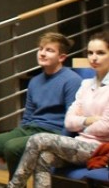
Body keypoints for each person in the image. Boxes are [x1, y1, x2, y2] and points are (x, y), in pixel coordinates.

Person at [0, 32, 82, 188]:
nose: (42, 53)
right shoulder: (35, 81)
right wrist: (6, 143)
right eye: (41, 49)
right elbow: (27, 117)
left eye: (49, 50)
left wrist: (60, 146)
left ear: (62, 57)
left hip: (52, 134)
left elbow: (71, 121)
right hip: (29, 130)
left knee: (12, 147)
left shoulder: (72, 80)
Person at [8, 32, 109, 188]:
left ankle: (15, 185)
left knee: (39, 139)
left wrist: (81, 124)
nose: (94, 58)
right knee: (44, 156)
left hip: (100, 148)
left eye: (100, 53)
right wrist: (88, 120)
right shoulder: (85, 84)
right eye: (90, 53)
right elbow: (69, 122)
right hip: (78, 143)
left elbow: (106, 126)